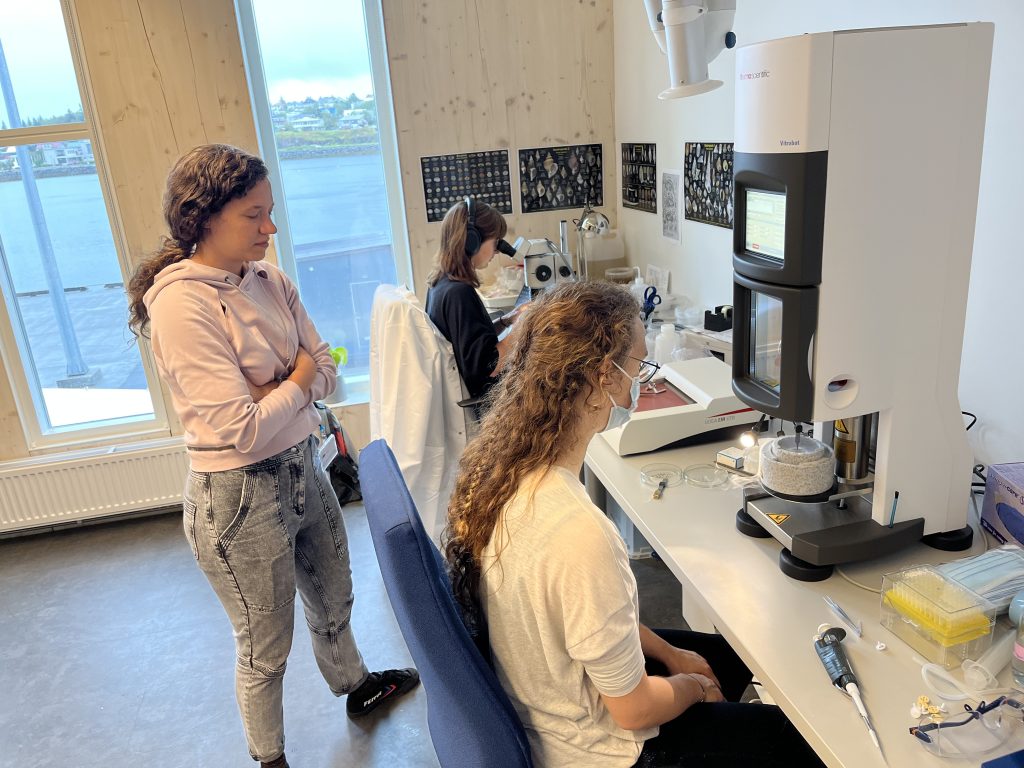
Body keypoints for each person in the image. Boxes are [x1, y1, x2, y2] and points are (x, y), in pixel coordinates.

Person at [444, 281, 825, 768]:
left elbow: (591, 622)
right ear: (605, 375)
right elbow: (635, 709)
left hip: (547, 696)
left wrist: (670, 652)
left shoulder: (506, 474)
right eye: (639, 365)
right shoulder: (581, 534)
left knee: (723, 653)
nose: (639, 381)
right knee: (792, 740)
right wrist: (690, 686)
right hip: (599, 752)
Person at [127, 144, 418, 768]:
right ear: (202, 219)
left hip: (304, 468)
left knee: (334, 595)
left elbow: (329, 368)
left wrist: (282, 386)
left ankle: (356, 686)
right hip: (237, 499)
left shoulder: (271, 279)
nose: (271, 228)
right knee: (265, 646)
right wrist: (296, 380)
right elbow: (243, 432)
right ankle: (271, 759)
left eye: (271, 211)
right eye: (254, 215)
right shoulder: (181, 305)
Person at [425, 198, 523, 400]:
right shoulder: (459, 294)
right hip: (490, 403)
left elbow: (470, 343)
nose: (497, 251)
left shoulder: (441, 284)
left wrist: (508, 320)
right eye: (496, 243)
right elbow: (488, 367)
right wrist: (523, 327)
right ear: (471, 240)